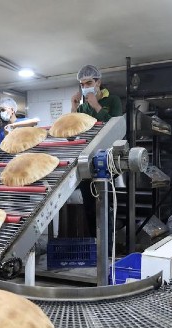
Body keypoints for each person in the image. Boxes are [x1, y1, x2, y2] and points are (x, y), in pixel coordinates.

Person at [69, 65, 123, 235]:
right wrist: (74, 107)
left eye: (89, 83)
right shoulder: (83, 108)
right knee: (90, 208)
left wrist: (97, 106)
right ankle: (95, 243)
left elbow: (117, 128)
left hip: (106, 162)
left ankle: (109, 247)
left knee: (106, 206)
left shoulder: (113, 100)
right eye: (82, 84)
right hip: (87, 162)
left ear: (98, 82)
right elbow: (71, 135)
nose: (85, 87)